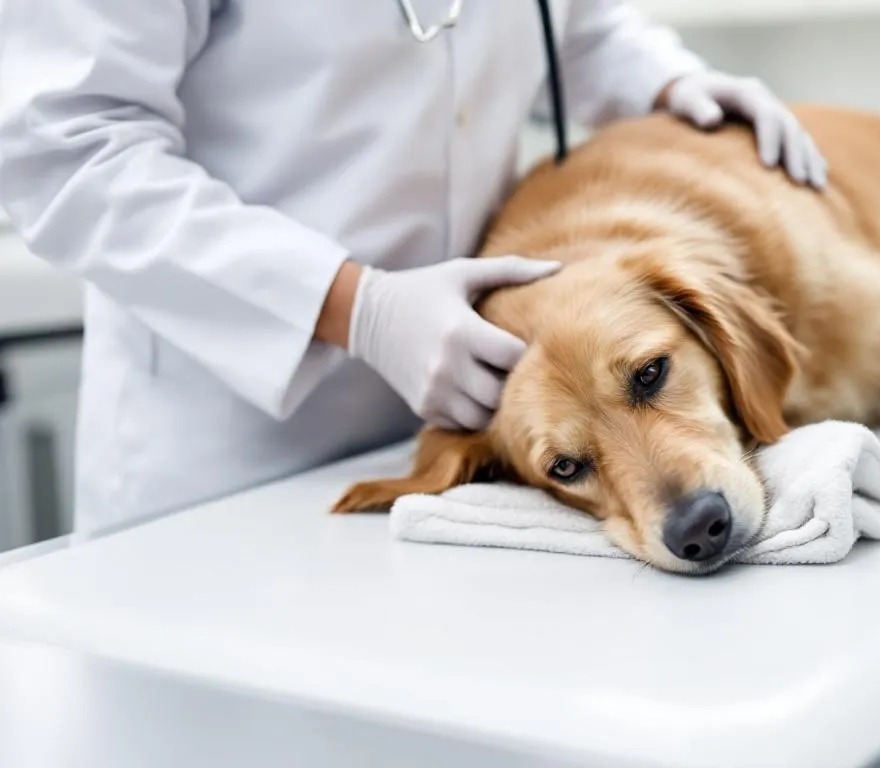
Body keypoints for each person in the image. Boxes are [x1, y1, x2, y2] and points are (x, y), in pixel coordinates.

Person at [0, 1, 827, 534]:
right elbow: (61, 149)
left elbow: (570, 25)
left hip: (478, 438)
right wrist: (356, 307)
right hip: (230, 443)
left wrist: (670, 82)